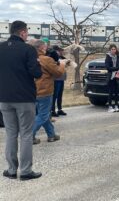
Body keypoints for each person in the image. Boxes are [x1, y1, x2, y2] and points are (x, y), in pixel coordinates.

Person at [0, 21, 43, 180]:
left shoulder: (0, 48)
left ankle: (11, 170)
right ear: (23, 33)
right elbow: (37, 73)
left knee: (11, 133)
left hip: (4, 97)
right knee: (25, 134)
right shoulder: (28, 49)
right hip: (24, 97)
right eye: (27, 33)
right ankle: (25, 171)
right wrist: (37, 65)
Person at [28, 39, 66, 144]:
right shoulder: (46, 59)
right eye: (45, 46)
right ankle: (29, 136)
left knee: (42, 114)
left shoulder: (29, 58)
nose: (46, 48)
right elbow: (58, 73)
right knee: (43, 115)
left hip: (32, 90)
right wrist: (62, 64)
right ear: (41, 48)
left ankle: (51, 135)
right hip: (45, 91)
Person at [51, 45, 68, 117]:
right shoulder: (53, 58)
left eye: (61, 50)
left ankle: (59, 109)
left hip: (61, 79)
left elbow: (66, 64)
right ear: (55, 51)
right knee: (55, 95)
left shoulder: (62, 58)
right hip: (56, 79)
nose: (61, 52)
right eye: (60, 50)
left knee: (60, 95)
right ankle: (52, 110)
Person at [105, 44, 119, 113]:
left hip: (117, 76)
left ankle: (116, 106)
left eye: (114, 49)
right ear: (110, 50)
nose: (113, 50)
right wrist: (116, 68)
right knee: (111, 92)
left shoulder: (118, 56)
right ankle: (110, 106)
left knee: (116, 92)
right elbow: (108, 67)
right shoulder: (108, 57)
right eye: (112, 49)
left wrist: (117, 69)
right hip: (111, 76)